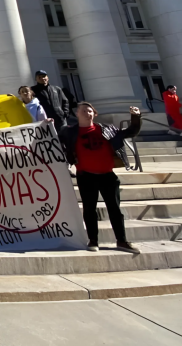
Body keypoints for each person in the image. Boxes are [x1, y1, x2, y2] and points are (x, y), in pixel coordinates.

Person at [59, 103, 142, 254]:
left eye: (89, 110)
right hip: (86, 175)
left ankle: (122, 241)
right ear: (76, 114)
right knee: (89, 210)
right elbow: (51, 140)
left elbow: (131, 131)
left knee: (115, 210)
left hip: (108, 176)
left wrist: (135, 117)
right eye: (83, 111)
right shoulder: (69, 132)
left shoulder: (107, 129)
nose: (86, 113)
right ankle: (93, 240)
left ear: (94, 114)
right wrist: (46, 124)